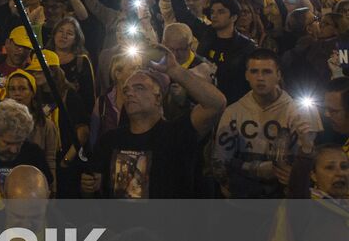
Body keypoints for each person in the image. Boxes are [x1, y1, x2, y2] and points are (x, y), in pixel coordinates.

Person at [84, 57, 226, 199]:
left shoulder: (176, 133)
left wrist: (174, 70)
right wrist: (88, 187)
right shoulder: (109, 140)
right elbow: (92, 193)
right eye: (126, 90)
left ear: (158, 98)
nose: (130, 93)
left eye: (139, 88)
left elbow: (216, 104)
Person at [213, 49, 321, 197]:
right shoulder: (234, 112)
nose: (260, 78)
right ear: (246, 75)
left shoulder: (301, 112)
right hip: (244, 197)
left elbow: (319, 161)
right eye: (254, 71)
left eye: (267, 72)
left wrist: (299, 177)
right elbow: (221, 161)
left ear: (278, 75)